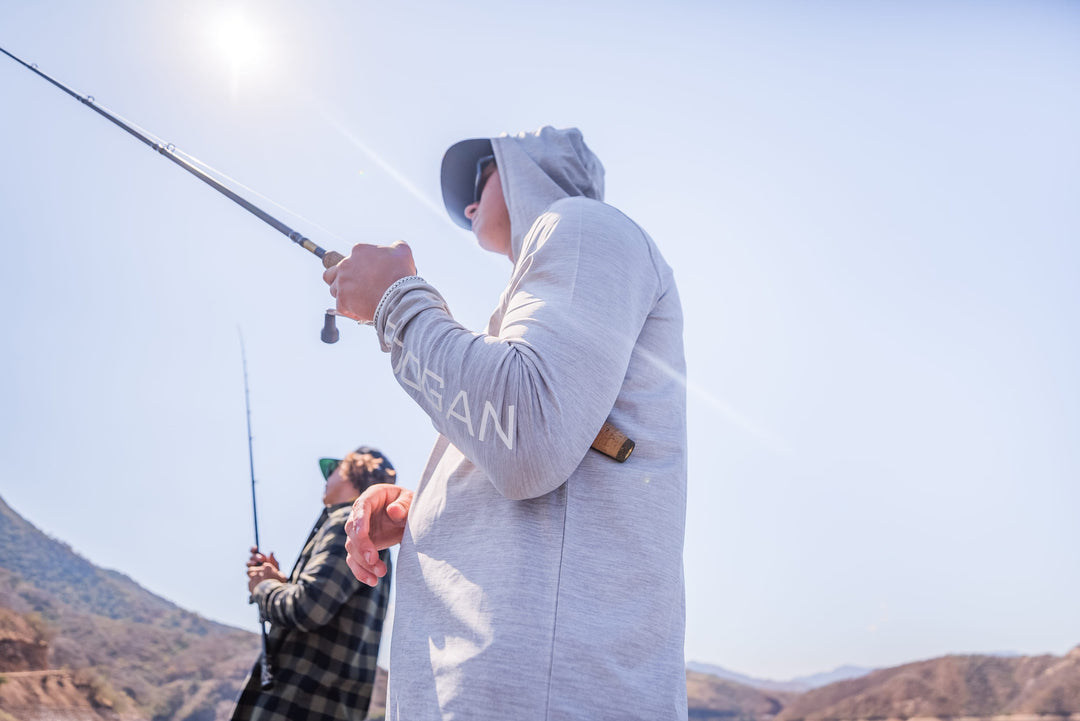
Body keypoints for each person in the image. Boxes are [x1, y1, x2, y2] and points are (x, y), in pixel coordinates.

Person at [324, 126, 688, 720]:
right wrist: (427, 510)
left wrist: (395, 300)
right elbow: (546, 443)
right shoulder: (569, 267)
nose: (468, 206)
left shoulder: (584, 226)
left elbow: (528, 433)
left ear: (531, 169)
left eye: (481, 176)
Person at [230, 447, 396, 721]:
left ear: (351, 473)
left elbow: (308, 608)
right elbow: (319, 601)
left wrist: (263, 587)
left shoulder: (348, 524)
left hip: (295, 706)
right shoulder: (371, 535)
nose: (326, 478)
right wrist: (281, 583)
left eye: (333, 470)